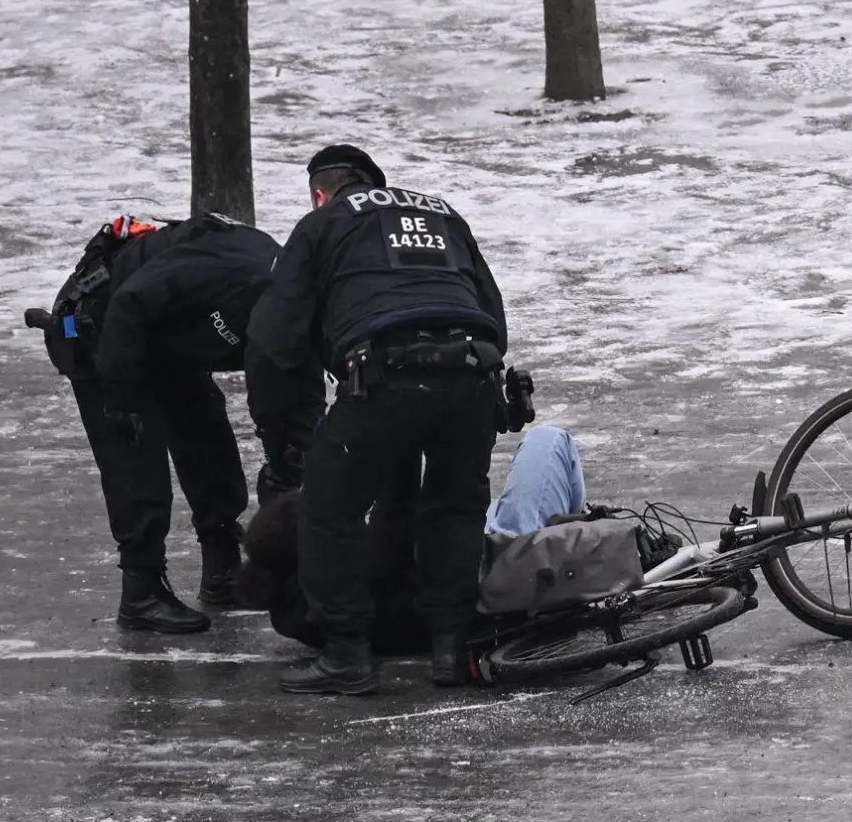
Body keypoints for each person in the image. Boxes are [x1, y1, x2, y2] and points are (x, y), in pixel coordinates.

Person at [245, 144, 507, 696]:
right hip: (472, 373)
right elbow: (489, 305)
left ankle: (346, 655)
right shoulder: (441, 213)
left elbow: (274, 336)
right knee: (454, 506)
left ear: (322, 192)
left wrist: (285, 429)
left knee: (327, 508)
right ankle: (449, 648)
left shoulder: (324, 224)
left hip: (386, 374)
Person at [34, 212, 276, 634]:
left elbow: (286, 385)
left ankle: (222, 568)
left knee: (206, 432)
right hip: (105, 323)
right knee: (134, 454)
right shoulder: (235, 274)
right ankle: (141, 592)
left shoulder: (291, 301)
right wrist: (120, 397)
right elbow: (131, 303)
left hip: (163, 334)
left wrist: (287, 452)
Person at [236, 425, 587, 657]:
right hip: (499, 570)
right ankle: (571, 569)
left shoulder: (297, 611)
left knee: (492, 506)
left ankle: (565, 552)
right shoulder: (368, 566)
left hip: (456, 588)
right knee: (550, 439)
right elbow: (403, 509)